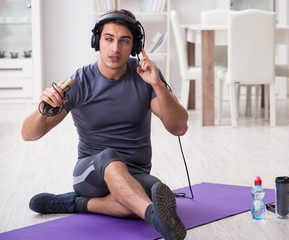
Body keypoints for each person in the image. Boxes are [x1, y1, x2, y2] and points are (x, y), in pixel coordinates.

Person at [21, 9, 188, 240]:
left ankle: (79, 204)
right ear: (97, 42)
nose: (115, 49)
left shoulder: (146, 76)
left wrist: (157, 85)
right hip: (90, 174)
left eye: (124, 41)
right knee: (112, 161)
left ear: (135, 47)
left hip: (135, 173)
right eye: (108, 39)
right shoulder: (79, 81)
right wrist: (42, 111)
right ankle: (152, 216)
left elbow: (178, 127)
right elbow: (28, 134)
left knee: (159, 194)